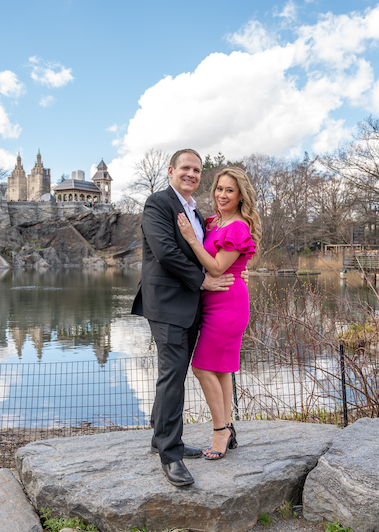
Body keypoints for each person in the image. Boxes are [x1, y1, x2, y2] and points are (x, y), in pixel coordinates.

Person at [131, 149, 235, 487]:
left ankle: (160, 437)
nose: (191, 174)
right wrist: (204, 280)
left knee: (173, 374)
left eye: (197, 170)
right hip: (166, 304)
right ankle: (170, 455)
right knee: (172, 376)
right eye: (185, 168)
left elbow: (207, 254)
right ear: (172, 170)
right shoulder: (158, 203)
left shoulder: (195, 211)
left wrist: (235, 272)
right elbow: (165, 252)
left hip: (191, 304)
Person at [176, 167, 261, 460]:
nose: (222, 195)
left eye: (230, 190)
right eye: (219, 189)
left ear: (241, 197)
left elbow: (215, 268)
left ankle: (220, 430)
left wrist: (191, 239)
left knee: (201, 367)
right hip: (213, 302)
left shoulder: (237, 227)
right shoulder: (214, 222)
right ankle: (227, 427)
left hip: (229, 304)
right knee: (221, 369)